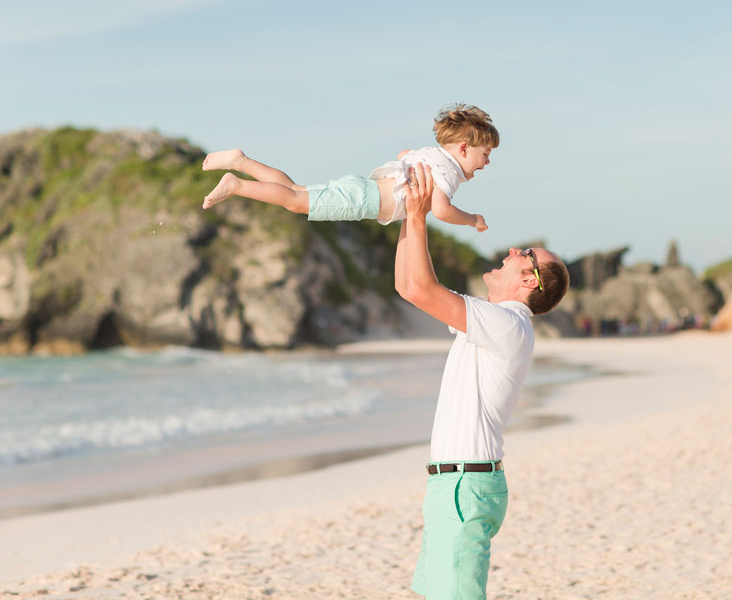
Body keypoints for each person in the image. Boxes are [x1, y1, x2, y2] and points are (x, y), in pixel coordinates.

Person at [395, 162, 570, 599]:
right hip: (454, 483)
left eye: (524, 254)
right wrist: (406, 213)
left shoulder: (507, 323)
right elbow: (406, 285)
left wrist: (419, 216)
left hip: (464, 484)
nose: (512, 251)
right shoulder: (499, 322)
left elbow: (420, 290)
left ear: (529, 279)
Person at [199, 104, 497, 232]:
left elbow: (403, 152)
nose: (486, 162)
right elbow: (443, 211)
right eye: (484, 154)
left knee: (294, 191)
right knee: (294, 202)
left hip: (364, 189)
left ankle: (241, 161)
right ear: (463, 149)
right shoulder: (448, 173)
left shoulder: (432, 154)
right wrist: (472, 219)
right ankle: (236, 184)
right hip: (363, 200)